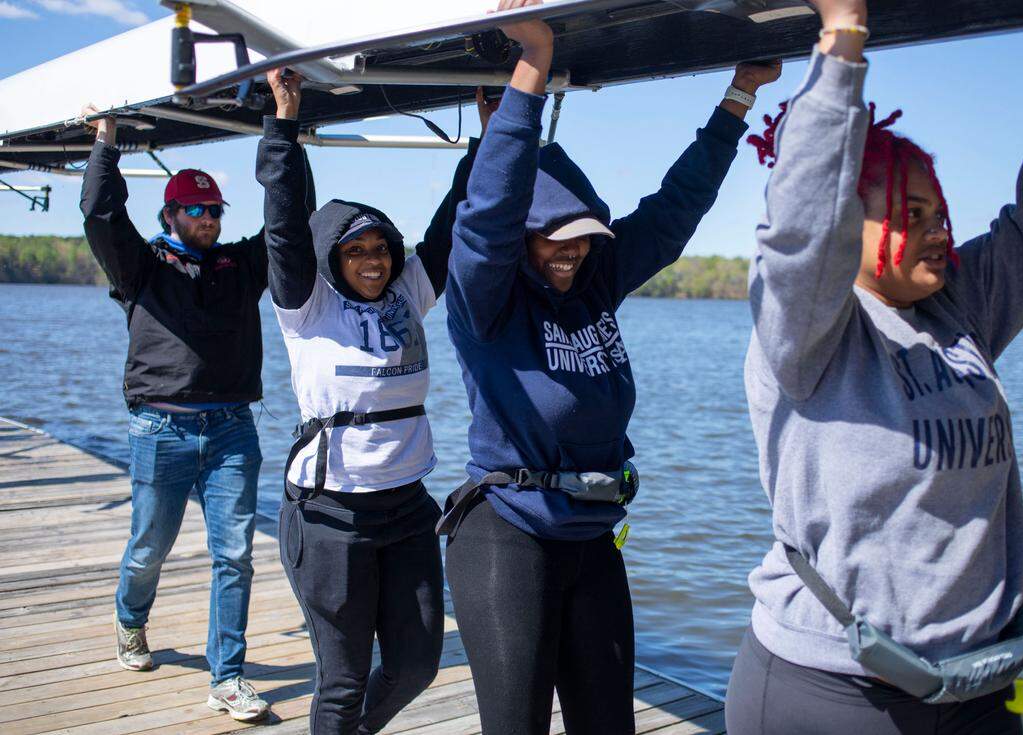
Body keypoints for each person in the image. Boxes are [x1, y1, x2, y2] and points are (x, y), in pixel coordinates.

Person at [725, 1, 1023, 733]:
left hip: (976, 685)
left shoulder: (960, 310)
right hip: (834, 692)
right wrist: (841, 44)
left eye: (939, 211)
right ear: (849, 224)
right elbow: (800, 231)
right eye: (913, 212)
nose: (939, 228)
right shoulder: (807, 334)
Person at [437, 1, 782, 732]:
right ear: (521, 236)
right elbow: (488, 212)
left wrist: (740, 95)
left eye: (584, 235)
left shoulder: (596, 276)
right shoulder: (486, 300)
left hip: (590, 534)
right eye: (552, 236)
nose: (571, 249)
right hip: (508, 534)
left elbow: (676, 207)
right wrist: (530, 68)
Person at [255, 68, 484, 735]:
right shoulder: (306, 304)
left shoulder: (410, 292)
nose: (373, 259)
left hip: (408, 507)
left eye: (379, 246)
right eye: (356, 250)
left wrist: (488, 139)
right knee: (343, 680)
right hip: (330, 517)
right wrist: (284, 120)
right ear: (333, 257)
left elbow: (453, 222)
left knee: (417, 665)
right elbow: (283, 226)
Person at [78, 101, 316, 720]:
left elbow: (291, 221)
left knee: (234, 552)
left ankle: (227, 677)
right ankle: (131, 619)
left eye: (214, 211)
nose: (208, 219)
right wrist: (106, 144)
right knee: (149, 547)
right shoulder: (142, 266)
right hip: (161, 428)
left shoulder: (240, 265)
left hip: (234, 428)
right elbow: (101, 214)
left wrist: (284, 132)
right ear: (171, 213)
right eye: (196, 210)